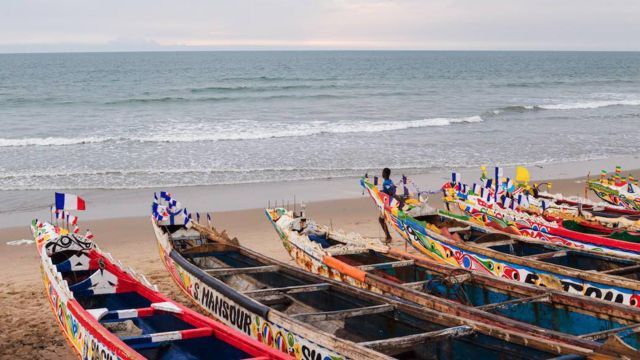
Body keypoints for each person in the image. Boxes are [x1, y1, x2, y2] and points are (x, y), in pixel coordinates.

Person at [378, 168, 394, 243]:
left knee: (381, 220)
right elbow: (390, 190)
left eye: (383, 172)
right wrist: (382, 192)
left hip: (387, 204)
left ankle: (388, 237)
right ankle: (388, 236)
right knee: (382, 219)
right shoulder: (390, 181)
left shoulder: (386, 183)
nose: (382, 173)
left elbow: (390, 192)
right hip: (390, 202)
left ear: (385, 174)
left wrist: (384, 194)